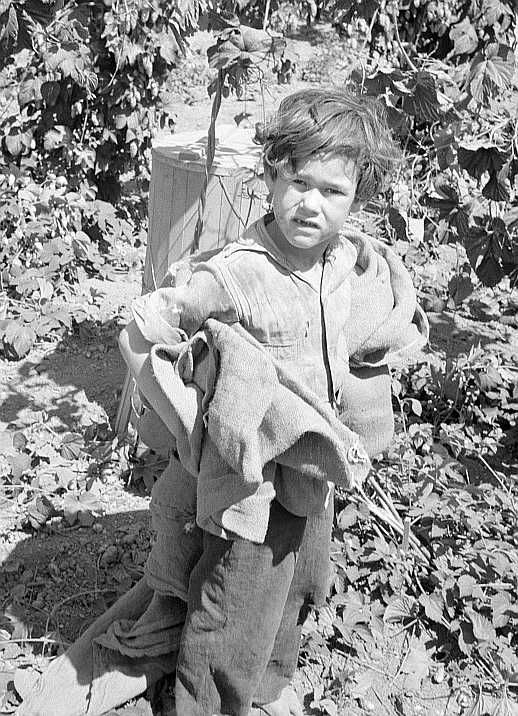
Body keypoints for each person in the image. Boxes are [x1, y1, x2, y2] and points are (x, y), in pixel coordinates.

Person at [16, 88, 427, 716]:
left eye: (332, 191)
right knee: (234, 602)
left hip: (309, 473)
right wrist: (184, 417)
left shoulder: (346, 262)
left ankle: (267, 686)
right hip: (248, 481)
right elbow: (153, 323)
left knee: (298, 583)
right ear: (269, 174)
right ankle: (202, 702)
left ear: (357, 198)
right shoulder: (241, 270)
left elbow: (374, 327)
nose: (310, 204)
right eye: (296, 181)